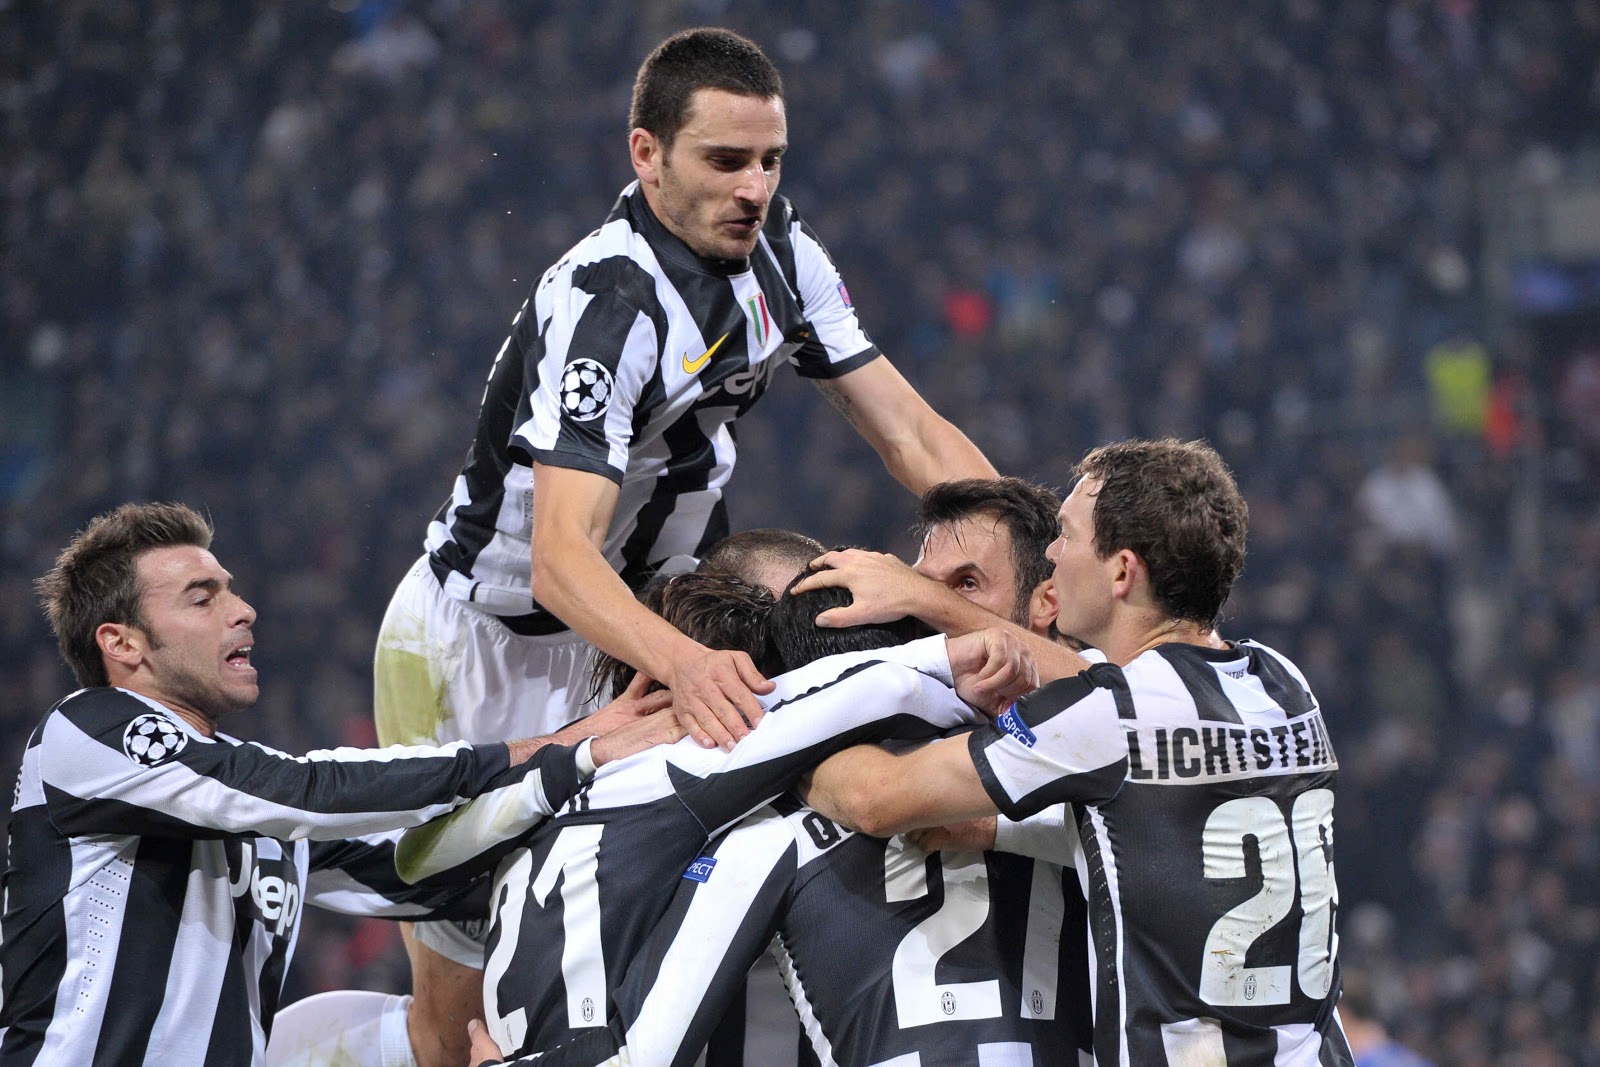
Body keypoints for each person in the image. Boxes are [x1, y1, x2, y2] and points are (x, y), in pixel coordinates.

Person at [373, 29, 995, 1063]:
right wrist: (690, 666)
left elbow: (913, 435)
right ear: (646, 154)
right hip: (492, 642)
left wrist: (1019, 569)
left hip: (643, 616)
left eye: (771, 160)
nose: (755, 188)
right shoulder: (607, 302)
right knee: (468, 968)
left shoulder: (782, 251)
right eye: (725, 160)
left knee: (661, 900)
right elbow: (560, 558)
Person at [0, 503, 667, 1067]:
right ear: (122, 643)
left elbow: (417, 870)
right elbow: (305, 790)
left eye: (231, 590)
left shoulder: (246, 809)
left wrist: (618, 793)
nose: (244, 610)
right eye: (203, 599)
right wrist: (556, 747)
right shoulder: (85, 734)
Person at [798, 439, 1354, 1066]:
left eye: (1066, 535)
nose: (1052, 555)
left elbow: (875, 800)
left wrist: (773, 728)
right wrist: (997, 829)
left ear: (1122, 572)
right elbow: (1179, 838)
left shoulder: (1107, 712)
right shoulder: (1284, 685)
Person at [395, 575, 1032, 1063]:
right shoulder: (689, 784)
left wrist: (573, 746)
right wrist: (948, 671)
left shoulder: (538, 795)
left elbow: (412, 858)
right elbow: (851, 702)